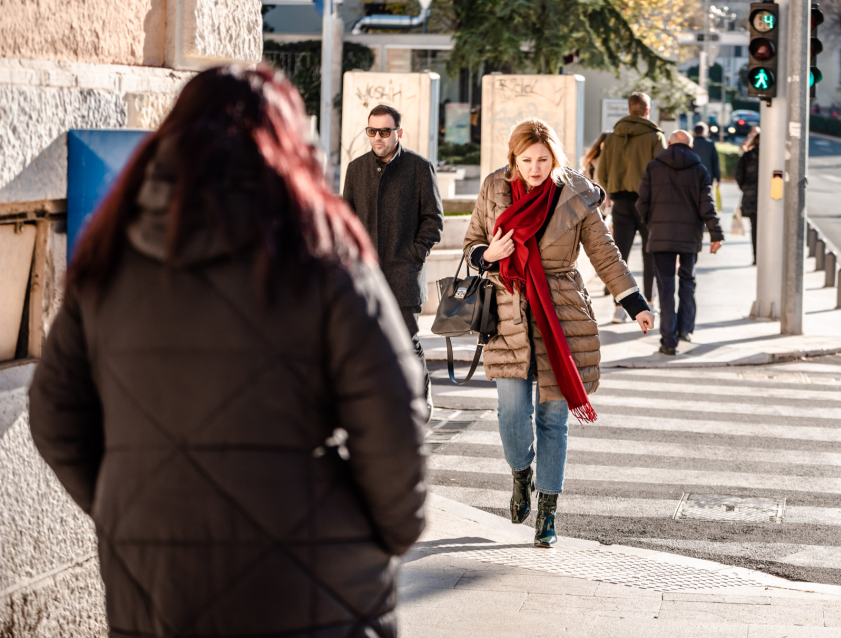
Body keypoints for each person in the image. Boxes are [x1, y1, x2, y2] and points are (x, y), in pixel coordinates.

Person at [28, 65, 427, 638]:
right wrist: (384, 533)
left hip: (156, 578)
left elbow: (53, 415)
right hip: (316, 583)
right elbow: (394, 419)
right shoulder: (326, 254)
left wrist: (131, 510)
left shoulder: (109, 258)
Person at [463, 119, 654, 548]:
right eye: (526, 160)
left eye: (543, 160)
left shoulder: (576, 194)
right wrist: (488, 254)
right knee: (512, 414)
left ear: (555, 158)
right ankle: (521, 474)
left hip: (561, 312)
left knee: (553, 420)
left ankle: (547, 511)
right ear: (514, 159)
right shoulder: (495, 187)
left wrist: (634, 301)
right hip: (508, 311)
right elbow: (471, 241)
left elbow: (604, 252)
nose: (534, 168)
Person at [342, 104, 443, 418]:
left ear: (398, 132)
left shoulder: (419, 167)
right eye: (372, 131)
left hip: (404, 273)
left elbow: (433, 220)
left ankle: (418, 400)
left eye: (384, 131)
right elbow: (345, 220)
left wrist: (414, 255)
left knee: (407, 342)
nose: (377, 137)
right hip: (366, 276)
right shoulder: (356, 169)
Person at [637, 130, 724, 356]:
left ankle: (668, 341)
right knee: (687, 280)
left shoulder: (653, 167)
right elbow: (707, 205)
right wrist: (716, 233)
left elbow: (641, 204)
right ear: (691, 147)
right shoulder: (699, 170)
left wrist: (651, 225)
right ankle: (685, 330)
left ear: (668, 144)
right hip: (689, 237)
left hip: (660, 236)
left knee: (665, 287)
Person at [596, 92, 666, 322]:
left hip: (621, 203)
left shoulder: (614, 136)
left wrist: (608, 194)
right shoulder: (655, 137)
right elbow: (662, 172)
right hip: (648, 204)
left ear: (628, 110)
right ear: (647, 111)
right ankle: (650, 304)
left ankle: (619, 308)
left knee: (620, 256)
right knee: (650, 254)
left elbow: (602, 171)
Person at [735, 126, 761, 264]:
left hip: (751, 197)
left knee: (755, 228)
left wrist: (746, 188)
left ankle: (756, 256)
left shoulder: (748, 156)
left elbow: (738, 175)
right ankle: (767, 256)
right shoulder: (774, 157)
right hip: (773, 199)